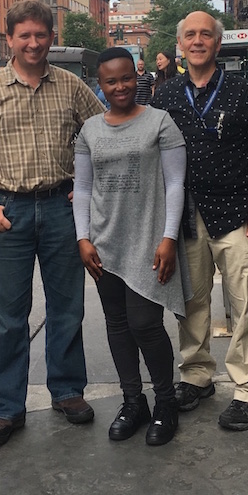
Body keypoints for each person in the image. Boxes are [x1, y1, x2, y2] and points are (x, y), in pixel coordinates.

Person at [0, 0, 105, 447]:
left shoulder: (73, 88)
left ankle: (67, 390)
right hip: (7, 213)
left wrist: (87, 185)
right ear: (10, 38)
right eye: (25, 35)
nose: (34, 43)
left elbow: (103, 134)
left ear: (51, 37)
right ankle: (5, 407)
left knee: (68, 308)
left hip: (61, 208)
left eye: (41, 34)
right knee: (6, 318)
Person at [151, 11, 248, 431]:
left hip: (238, 212)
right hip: (185, 217)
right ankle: (197, 374)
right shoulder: (165, 95)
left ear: (218, 45)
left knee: (247, 301)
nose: (199, 40)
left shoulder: (242, 90)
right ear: (180, 45)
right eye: (190, 34)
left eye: (206, 34)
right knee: (191, 303)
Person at [75, 47, 187, 445]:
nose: (120, 86)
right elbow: (84, 187)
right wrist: (82, 237)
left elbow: (175, 183)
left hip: (149, 241)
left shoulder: (160, 122)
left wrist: (169, 237)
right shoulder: (90, 129)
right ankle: (132, 401)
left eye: (126, 78)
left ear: (136, 79)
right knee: (117, 325)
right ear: (100, 84)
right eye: (111, 81)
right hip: (105, 243)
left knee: (145, 325)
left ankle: (165, 402)